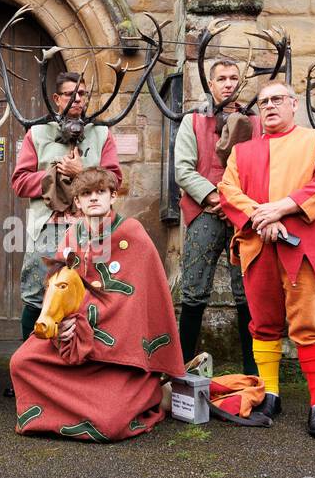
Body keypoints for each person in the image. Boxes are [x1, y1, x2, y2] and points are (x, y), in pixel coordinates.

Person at [10, 167, 184, 442]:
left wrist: (87, 323)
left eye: (100, 192)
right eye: (86, 194)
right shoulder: (71, 235)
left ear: (112, 196)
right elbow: (59, 288)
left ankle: (152, 394)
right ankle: (82, 407)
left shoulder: (132, 233)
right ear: (76, 202)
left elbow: (133, 301)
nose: (94, 198)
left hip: (115, 346)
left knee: (111, 423)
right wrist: (63, 324)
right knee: (22, 362)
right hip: (74, 336)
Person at [218, 80, 315, 439]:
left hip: (302, 246)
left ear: (293, 104)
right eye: (263, 102)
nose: (270, 106)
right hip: (257, 247)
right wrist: (263, 217)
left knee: (308, 324)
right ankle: (271, 393)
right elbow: (228, 191)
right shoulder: (242, 151)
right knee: (264, 323)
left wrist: (281, 210)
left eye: (277, 100)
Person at [11, 72, 122, 341]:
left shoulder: (101, 134)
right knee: (37, 293)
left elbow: (115, 179)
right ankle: (31, 365)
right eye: (71, 94)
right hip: (49, 226)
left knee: (92, 289)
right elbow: (20, 182)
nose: (77, 100)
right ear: (57, 99)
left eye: (82, 94)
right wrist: (55, 175)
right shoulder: (37, 134)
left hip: (92, 227)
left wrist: (83, 171)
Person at [174, 58, 257, 374]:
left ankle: (253, 369)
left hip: (242, 216)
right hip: (204, 211)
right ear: (210, 84)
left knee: (245, 290)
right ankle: (180, 368)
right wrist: (216, 198)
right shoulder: (193, 122)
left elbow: (259, 169)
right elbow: (183, 169)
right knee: (194, 289)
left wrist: (236, 204)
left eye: (234, 77)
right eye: (221, 78)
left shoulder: (254, 123)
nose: (228, 83)